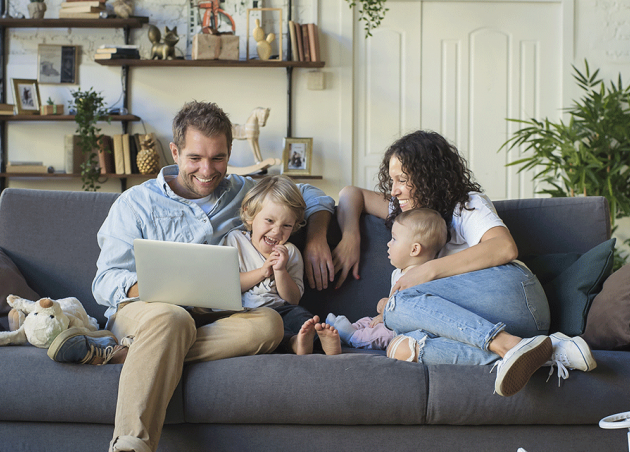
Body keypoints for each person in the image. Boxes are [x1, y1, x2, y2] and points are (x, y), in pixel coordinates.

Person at [46, 100, 336, 452]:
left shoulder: (243, 191)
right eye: (195, 158)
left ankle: (129, 354)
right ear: (175, 151)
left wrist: (319, 237)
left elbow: (312, 196)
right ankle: (130, 444)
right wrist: (162, 290)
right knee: (172, 317)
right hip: (149, 312)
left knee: (270, 325)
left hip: (216, 317)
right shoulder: (135, 203)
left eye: (218, 158)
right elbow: (106, 281)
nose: (207, 170)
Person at [331, 130, 596, 397]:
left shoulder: (466, 205)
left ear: (427, 178)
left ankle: (505, 344)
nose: (395, 190)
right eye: (392, 180)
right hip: (501, 324)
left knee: (397, 304)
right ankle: (546, 351)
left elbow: (504, 247)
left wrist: (426, 271)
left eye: (402, 179)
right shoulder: (407, 212)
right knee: (401, 345)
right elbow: (352, 194)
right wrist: (350, 237)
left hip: (517, 297)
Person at [223, 174, 341, 355]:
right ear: (249, 215)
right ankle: (294, 343)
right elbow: (229, 285)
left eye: (286, 225)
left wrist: (280, 271)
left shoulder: (290, 252)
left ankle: (317, 343)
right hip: (245, 312)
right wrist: (263, 272)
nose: (277, 231)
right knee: (262, 329)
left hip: (281, 309)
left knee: (302, 318)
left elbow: (292, 299)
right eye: (269, 220)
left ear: (294, 226)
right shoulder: (235, 240)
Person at [326, 207, 447, 350]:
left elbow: (410, 313)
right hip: (389, 320)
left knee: (382, 334)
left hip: (403, 330)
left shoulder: (422, 279)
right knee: (368, 321)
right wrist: (385, 307)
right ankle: (346, 329)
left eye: (394, 239)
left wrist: (386, 310)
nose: (388, 243)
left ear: (414, 249)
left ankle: (353, 337)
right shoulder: (398, 272)